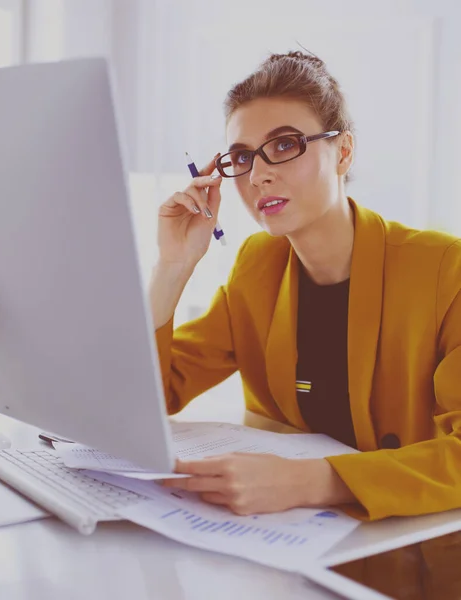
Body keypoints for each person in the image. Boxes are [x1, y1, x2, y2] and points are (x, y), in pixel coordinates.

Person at [149, 50, 461, 521]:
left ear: (344, 152)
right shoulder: (257, 265)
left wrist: (312, 481)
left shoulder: (445, 269)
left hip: (418, 546)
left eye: (284, 145)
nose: (258, 175)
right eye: (242, 156)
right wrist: (172, 267)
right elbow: (156, 393)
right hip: (287, 543)